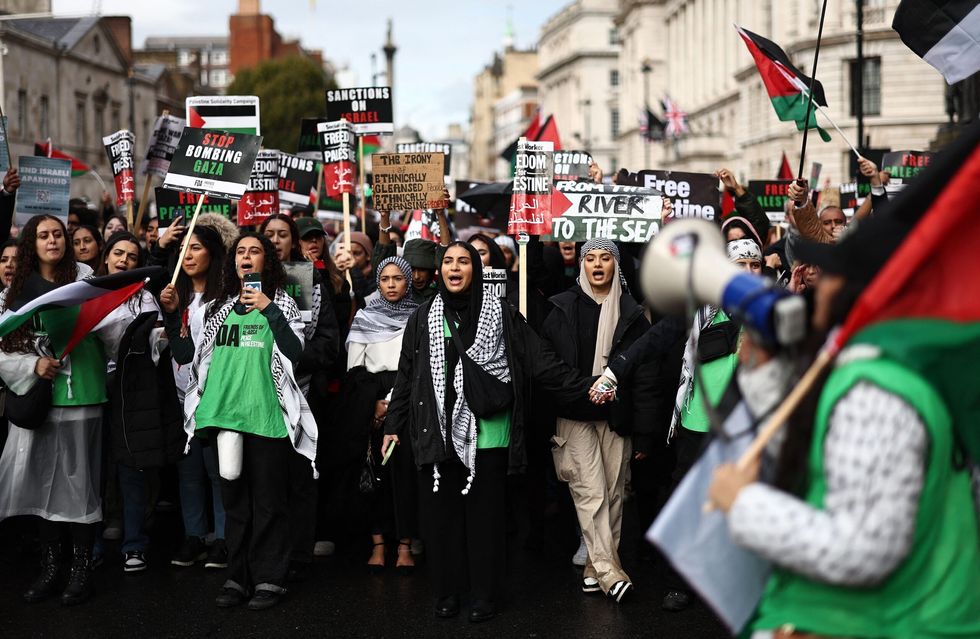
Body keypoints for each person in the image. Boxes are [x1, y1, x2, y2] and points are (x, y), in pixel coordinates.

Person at [709, 224, 980, 637]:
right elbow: (819, 450)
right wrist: (763, 371)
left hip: (895, 623)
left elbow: (864, 549)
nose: (818, 279)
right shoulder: (874, 364)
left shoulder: (875, 389)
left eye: (830, 271)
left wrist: (744, 503)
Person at [382, 242, 587, 623]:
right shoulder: (424, 316)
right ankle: (447, 592)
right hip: (438, 434)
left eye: (463, 261)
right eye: (448, 261)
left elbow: (541, 363)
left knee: (485, 521)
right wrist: (393, 425)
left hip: (489, 436)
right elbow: (407, 374)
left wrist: (586, 387)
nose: (454, 267)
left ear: (475, 270)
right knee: (442, 521)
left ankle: (484, 594)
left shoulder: (504, 314)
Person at [161, 233, 317, 611]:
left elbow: (297, 353)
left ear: (268, 261)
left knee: (268, 502)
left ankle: (269, 578)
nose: (247, 257)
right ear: (233, 262)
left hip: (266, 417)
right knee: (235, 502)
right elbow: (186, 355)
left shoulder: (284, 303)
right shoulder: (217, 308)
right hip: (223, 417)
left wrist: (268, 309)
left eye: (255, 251)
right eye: (241, 252)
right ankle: (238, 576)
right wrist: (170, 313)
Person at [0, 215, 128, 605]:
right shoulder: (14, 292)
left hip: (82, 398)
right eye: (43, 235)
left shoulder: (87, 279)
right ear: (30, 245)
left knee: (79, 488)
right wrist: (32, 365)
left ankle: (80, 570)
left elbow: (116, 329)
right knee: (43, 488)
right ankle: (51, 567)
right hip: (39, 400)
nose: (52, 240)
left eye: (58, 234)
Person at [539, 239, 654, 603]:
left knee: (614, 495)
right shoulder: (561, 307)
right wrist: (584, 389)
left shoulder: (633, 312)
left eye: (606, 258)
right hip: (574, 416)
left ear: (617, 265)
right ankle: (609, 571)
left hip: (615, 418)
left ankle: (594, 567)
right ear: (582, 265)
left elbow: (644, 375)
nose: (597, 265)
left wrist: (645, 430)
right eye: (590, 258)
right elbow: (550, 368)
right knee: (590, 494)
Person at [259, 213, 340, 581]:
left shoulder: (310, 281)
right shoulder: (241, 285)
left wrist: (296, 358)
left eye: (282, 235)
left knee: (301, 477)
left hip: (304, 393)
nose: (275, 241)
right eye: (269, 235)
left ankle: (297, 556)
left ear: (293, 242)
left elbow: (328, 345)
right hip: (257, 394)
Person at [97, 232, 181, 574]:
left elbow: (154, 342)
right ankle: (92, 545)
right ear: (106, 256)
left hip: (130, 392)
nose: (124, 261)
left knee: (131, 469)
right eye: (118, 253)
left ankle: (134, 544)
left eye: (132, 256)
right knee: (95, 472)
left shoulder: (145, 298)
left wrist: (167, 330)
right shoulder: (89, 293)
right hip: (89, 390)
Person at [346, 256, 419, 574]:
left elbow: (422, 365)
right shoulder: (365, 316)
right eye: (385, 279)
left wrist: (398, 402)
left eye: (398, 278)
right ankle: (378, 545)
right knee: (374, 477)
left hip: (408, 401)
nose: (391, 284)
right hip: (371, 402)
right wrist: (372, 405)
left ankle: (404, 545)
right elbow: (354, 368)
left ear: (408, 281)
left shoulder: (421, 316)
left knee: (405, 476)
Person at [166, 224, 229, 570]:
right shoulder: (175, 296)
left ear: (214, 253)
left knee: (218, 471)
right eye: (184, 249)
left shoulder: (227, 299)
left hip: (215, 399)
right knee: (188, 470)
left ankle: (222, 538)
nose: (187, 255)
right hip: (179, 398)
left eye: (197, 248)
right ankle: (194, 535)